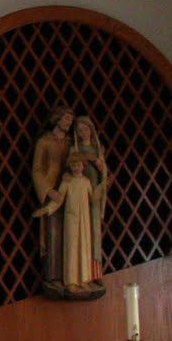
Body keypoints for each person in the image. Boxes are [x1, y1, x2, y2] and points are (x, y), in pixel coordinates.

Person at [30, 107, 73, 288]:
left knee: (71, 233)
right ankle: (54, 276)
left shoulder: (71, 142)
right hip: (51, 192)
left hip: (69, 191)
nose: (69, 123)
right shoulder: (45, 141)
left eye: (71, 120)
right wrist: (48, 190)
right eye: (66, 119)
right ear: (57, 119)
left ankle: (71, 274)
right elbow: (37, 170)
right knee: (53, 234)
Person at [57, 153, 108, 293]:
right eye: (73, 165)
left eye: (78, 164)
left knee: (84, 248)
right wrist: (47, 209)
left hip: (84, 220)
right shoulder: (67, 182)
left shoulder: (86, 182)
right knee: (72, 248)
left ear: (83, 166)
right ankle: (71, 281)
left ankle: (85, 279)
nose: (75, 167)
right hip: (71, 219)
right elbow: (59, 199)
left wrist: (102, 186)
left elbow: (93, 198)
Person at [70, 115, 108, 278]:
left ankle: (95, 272)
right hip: (80, 193)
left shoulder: (98, 149)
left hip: (94, 192)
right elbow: (69, 168)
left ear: (91, 130)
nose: (83, 133)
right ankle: (81, 272)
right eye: (79, 130)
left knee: (94, 230)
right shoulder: (75, 150)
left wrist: (102, 169)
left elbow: (104, 172)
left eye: (85, 129)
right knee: (80, 231)